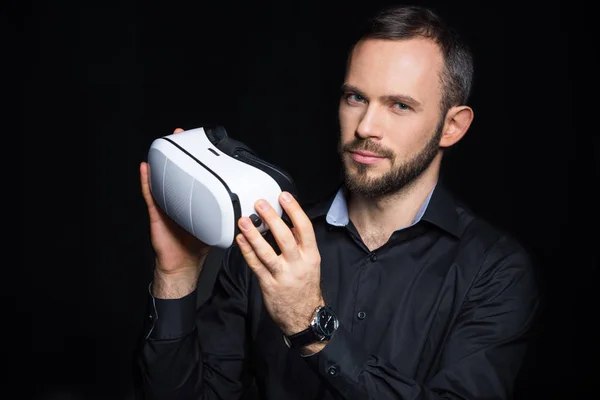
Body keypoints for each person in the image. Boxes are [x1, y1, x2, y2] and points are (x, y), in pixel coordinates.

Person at [137, 4, 540, 399]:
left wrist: (313, 328)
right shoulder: (270, 239)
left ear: (452, 126)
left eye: (399, 105)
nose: (366, 126)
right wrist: (176, 276)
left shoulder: (494, 270)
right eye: (355, 98)